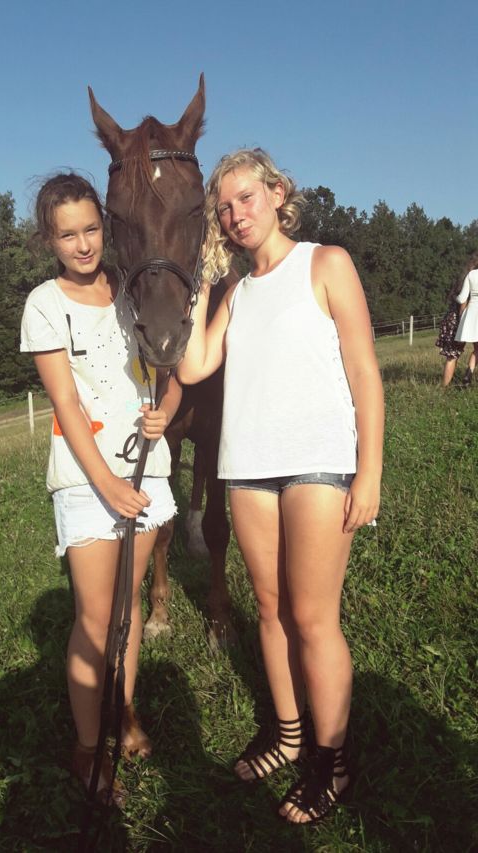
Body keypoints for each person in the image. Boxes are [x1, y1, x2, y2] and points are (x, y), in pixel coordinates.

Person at [178, 149, 384, 824]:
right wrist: (199, 282)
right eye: (224, 208)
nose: (236, 214)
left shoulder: (326, 263)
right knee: (270, 611)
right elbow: (193, 363)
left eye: (246, 197)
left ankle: (332, 760)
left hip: (317, 465)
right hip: (246, 468)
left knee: (314, 617)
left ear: (276, 192)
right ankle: (289, 735)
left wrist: (370, 470)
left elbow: (364, 370)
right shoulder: (237, 293)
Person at [20, 173, 181, 805]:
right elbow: (64, 400)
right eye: (68, 235)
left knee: (128, 609)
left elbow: (170, 367)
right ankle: (89, 747)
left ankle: (124, 713)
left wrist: (166, 411)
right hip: (90, 481)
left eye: (91, 229)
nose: (83, 244)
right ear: (49, 240)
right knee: (95, 619)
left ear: (105, 227)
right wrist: (108, 484)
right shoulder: (44, 304)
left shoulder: (135, 289)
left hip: (146, 473)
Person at [453, 252, 478, 386]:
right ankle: (468, 375)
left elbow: (462, 298)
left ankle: (468, 376)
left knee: (477, 348)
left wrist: (453, 297)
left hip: (473, 314)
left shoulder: (471, 274)